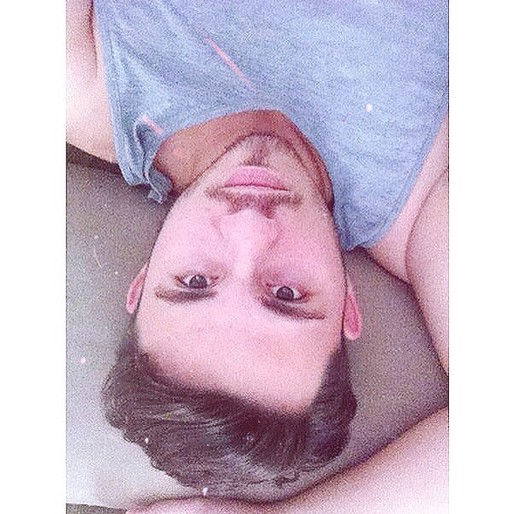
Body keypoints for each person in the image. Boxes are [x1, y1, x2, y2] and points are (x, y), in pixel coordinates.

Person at [67, 0, 448, 512]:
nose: (249, 224)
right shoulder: (423, 206)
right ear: (348, 306)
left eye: (195, 281)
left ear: (141, 280)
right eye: (286, 293)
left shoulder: (82, 82)